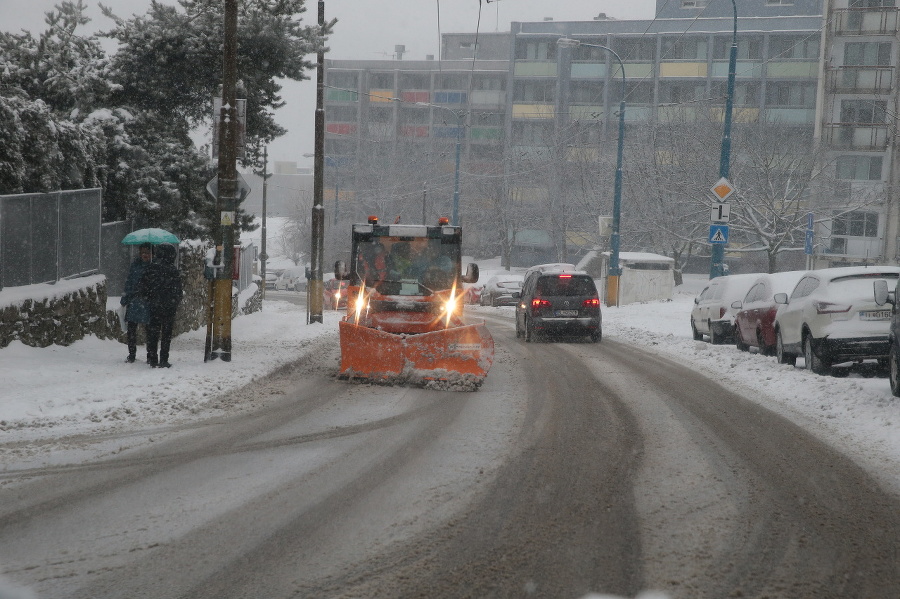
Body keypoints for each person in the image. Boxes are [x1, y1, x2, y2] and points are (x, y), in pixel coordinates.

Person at [138, 243, 183, 368]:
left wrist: (149, 299)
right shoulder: (173, 270)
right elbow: (178, 290)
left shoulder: (151, 268)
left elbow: (142, 287)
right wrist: (174, 301)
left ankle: (153, 359)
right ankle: (164, 359)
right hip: (169, 307)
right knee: (166, 334)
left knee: (153, 333)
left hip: (154, 307)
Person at [121, 243, 153, 363]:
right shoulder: (135, 265)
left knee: (149, 330)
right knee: (131, 329)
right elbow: (129, 282)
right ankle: (132, 354)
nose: (145, 255)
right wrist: (125, 299)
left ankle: (150, 355)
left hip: (147, 301)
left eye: (148, 252)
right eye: (143, 252)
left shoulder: (154, 266)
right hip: (135, 300)